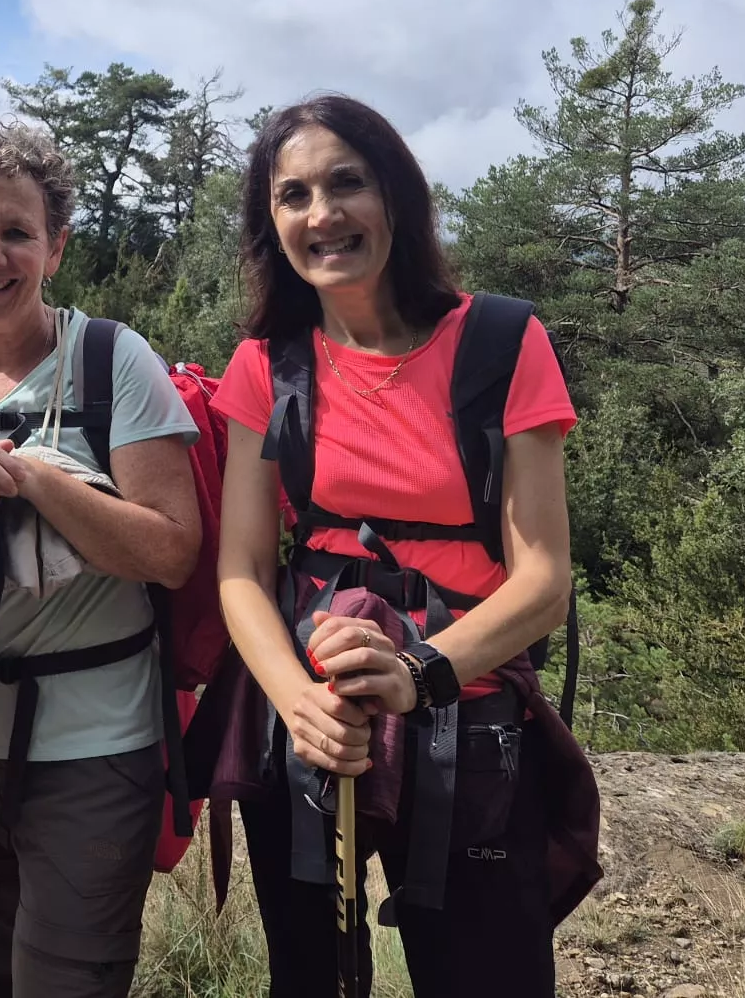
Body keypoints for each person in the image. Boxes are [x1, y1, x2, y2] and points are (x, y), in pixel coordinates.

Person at [213, 95, 581, 998]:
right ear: (272, 222)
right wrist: (298, 702)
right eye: (292, 194)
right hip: (314, 715)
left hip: (470, 709)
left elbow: (543, 579)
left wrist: (418, 675)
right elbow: (242, 568)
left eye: (348, 183)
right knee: (311, 981)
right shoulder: (269, 361)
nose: (322, 214)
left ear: (398, 199)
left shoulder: (500, 342)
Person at [0, 123, 202, 998]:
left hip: (93, 740)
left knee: (67, 978)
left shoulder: (112, 362)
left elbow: (172, 552)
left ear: (55, 247)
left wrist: (30, 478)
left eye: (18, 232)